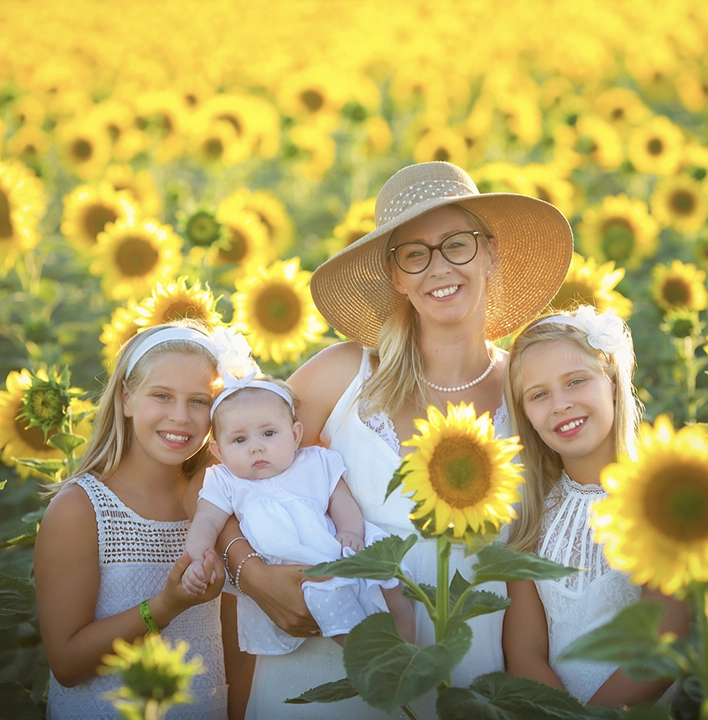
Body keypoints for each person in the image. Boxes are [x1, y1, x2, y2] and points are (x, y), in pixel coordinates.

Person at [218, 160, 575, 719]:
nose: (438, 268)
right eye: (414, 253)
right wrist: (250, 572)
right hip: (328, 674)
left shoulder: (533, 393)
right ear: (397, 276)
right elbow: (220, 479)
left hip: (470, 679)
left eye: (456, 243)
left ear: (491, 253)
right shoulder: (343, 377)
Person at [34, 321, 244, 720]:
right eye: (161, 395)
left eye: (199, 401)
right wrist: (166, 606)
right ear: (127, 398)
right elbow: (67, 665)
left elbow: (237, 649)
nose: (180, 416)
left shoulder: (220, 504)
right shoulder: (81, 509)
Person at [502, 306, 689, 707]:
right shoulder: (533, 514)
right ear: (525, 415)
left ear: (615, 384)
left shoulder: (656, 501)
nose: (560, 404)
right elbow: (524, 651)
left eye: (576, 381)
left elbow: (665, 635)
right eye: (538, 395)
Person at [182, 369, 415, 654]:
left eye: (268, 433)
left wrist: (351, 530)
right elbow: (206, 520)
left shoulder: (315, 461)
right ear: (218, 451)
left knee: (389, 573)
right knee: (330, 606)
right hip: (300, 568)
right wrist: (196, 558)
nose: (256, 447)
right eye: (239, 440)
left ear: (295, 435)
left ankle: (407, 638)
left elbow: (340, 498)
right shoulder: (225, 480)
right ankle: (370, 656)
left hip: (339, 547)